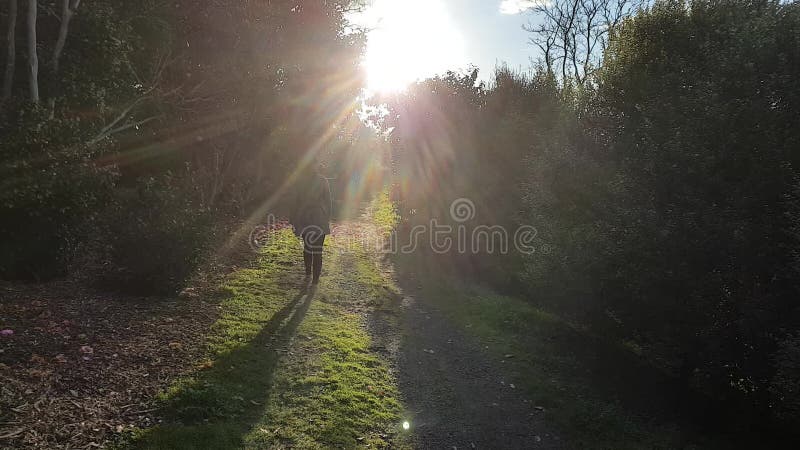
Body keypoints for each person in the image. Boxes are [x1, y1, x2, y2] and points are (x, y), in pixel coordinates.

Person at [291, 165, 332, 285]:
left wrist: (293, 219)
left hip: (304, 216)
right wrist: (327, 216)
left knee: (307, 247)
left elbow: (295, 201)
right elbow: (328, 200)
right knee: (318, 249)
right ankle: (315, 279)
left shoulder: (300, 181)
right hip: (319, 216)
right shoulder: (323, 181)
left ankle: (308, 274)